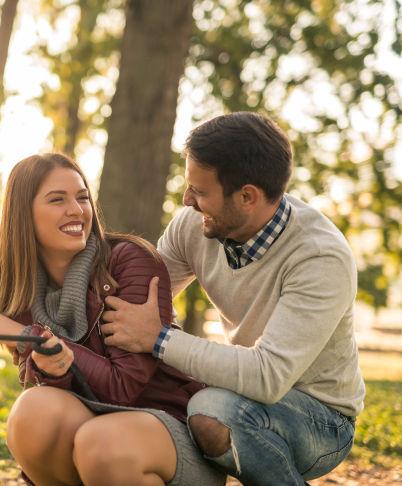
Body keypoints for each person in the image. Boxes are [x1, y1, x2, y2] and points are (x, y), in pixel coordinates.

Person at [101, 112, 366, 485]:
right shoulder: (191, 225)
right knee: (200, 402)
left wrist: (160, 339)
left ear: (246, 197)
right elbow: (137, 301)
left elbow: (267, 376)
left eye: (200, 191)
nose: (186, 199)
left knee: (212, 411)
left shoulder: (319, 257)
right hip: (243, 392)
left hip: (322, 417)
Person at [0, 153, 225, 486]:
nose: (76, 210)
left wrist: (33, 336)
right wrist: (51, 364)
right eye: (57, 200)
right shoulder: (23, 295)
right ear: (23, 215)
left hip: (167, 433)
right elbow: (57, 397)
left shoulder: (129, 262)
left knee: (100, 443)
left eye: (82, 197)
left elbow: (123, 388)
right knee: (33, 411)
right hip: (93, 435)